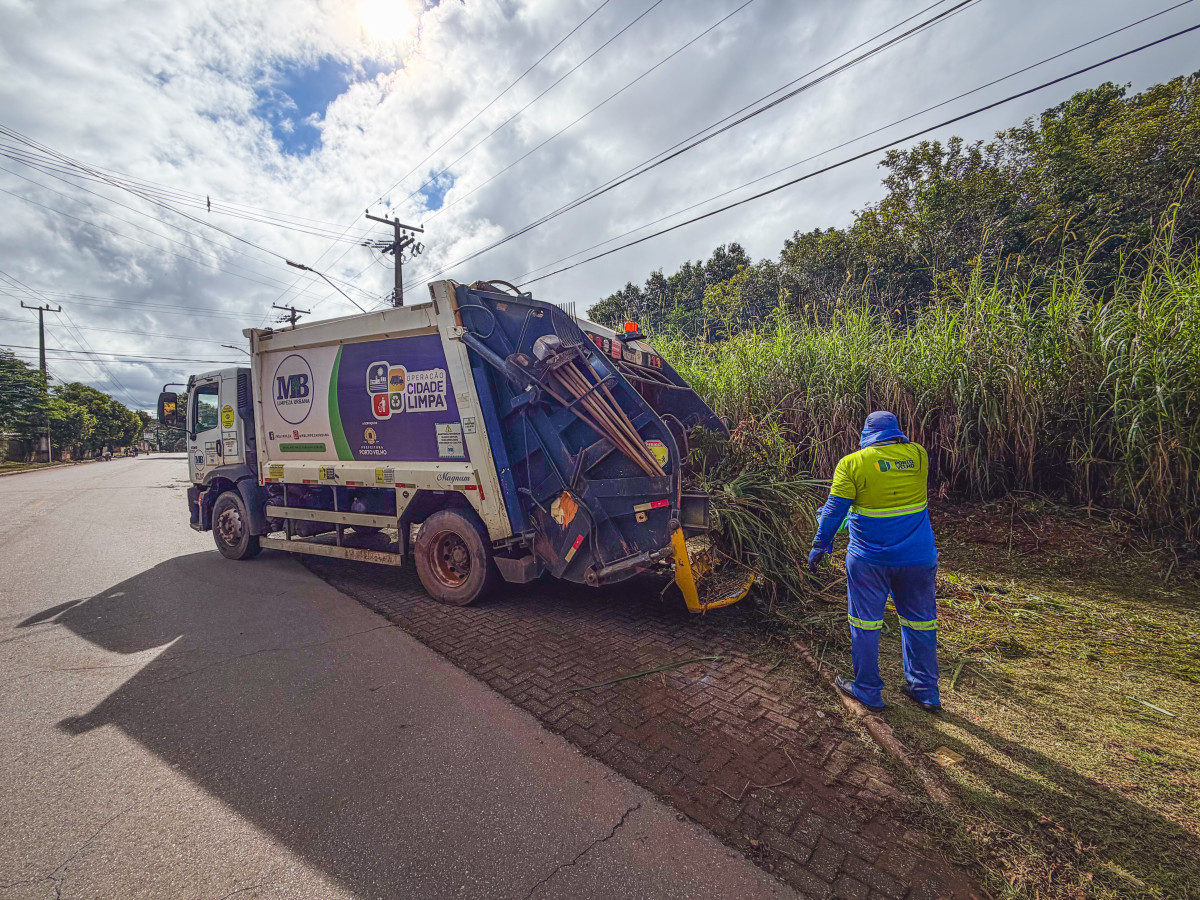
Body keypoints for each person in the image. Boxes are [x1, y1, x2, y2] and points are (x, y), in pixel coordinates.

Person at [807, 411, 940, 713]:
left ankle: (867, 689)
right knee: (920, 622)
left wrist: (820, 543)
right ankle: (925, 691)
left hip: (870, 560)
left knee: (865, 623)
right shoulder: (919, 456)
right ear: (896, 432)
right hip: (918, 558)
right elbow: (889, 499)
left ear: (866, 434)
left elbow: (834, 510)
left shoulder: (853, 464)